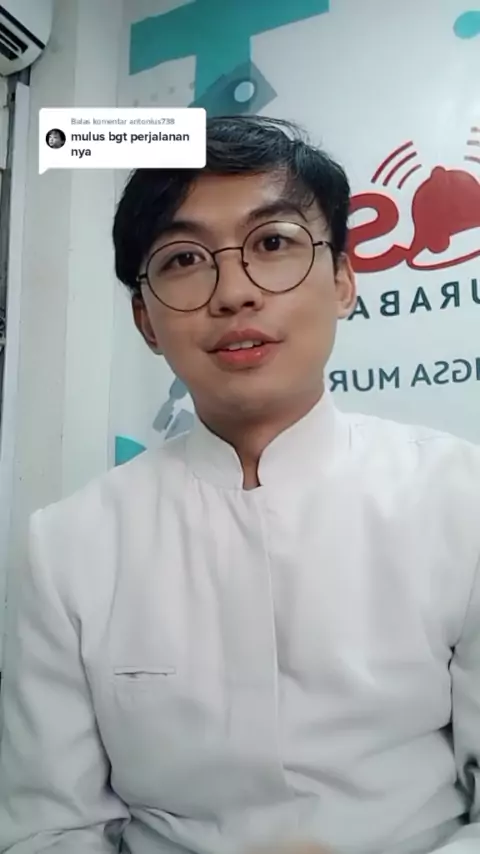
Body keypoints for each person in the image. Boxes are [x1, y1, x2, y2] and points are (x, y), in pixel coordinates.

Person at [0, 115, 479, 854]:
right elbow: (49, 827)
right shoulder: (67, 545)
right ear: (146, 320)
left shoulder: (460, 496)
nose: (233, 293)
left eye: (273, 244)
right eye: (185, 259)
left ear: (343, 279)